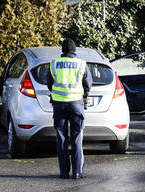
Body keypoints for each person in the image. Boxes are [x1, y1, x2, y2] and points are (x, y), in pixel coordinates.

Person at [47, 38, 93, 179]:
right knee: (77, 137)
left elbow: (49, 83)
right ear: (74, 50)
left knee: (61, 138)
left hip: (59, 104)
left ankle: (64, 172)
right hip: (76, 104)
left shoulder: (54, 64)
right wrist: (83, 96)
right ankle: (78, 172)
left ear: (63, 50)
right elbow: (88, 84)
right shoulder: (81, 64)